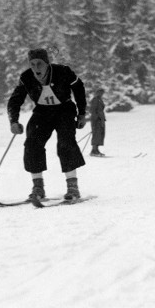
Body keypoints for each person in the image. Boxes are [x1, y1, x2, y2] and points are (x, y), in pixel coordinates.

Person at [7, 48, 87, 201]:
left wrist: (82, 113)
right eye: (33, 64)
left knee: (65, 143)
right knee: (32, 143)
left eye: (40, 64)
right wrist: (14, 121)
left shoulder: (63, 72)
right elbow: (15, 100)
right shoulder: (26, 77)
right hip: (43, 112)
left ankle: (72, 187)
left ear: (47, 63)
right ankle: (38, 187)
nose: (36, 68)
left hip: (64, 109)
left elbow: (79, 88)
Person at [89, 88, 106, 156]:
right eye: (100, 92)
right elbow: (92, 110)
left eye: (102, 92)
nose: (101, 94)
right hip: (96, 120)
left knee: (100, 135)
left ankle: (96, 150)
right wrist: (96, 119)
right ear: (97, 92)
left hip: (100, 120)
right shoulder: (95, 100)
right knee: (96, 134)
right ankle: (94, 151)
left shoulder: (100, 100)